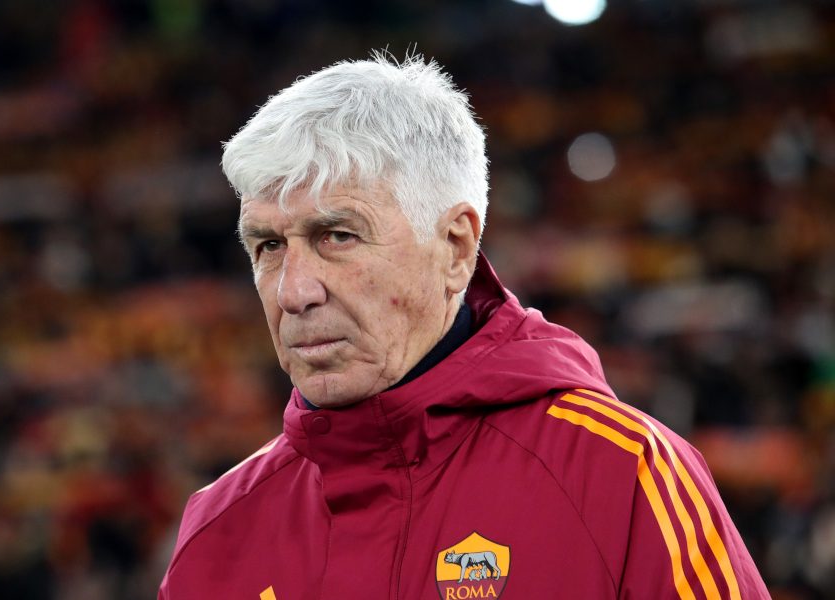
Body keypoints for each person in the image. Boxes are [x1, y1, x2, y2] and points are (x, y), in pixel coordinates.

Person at [158, 54, 769, 599]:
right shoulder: (218, 528)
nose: (293, 292)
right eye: (267, 246)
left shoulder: (623, 475)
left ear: (455, 248)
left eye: (337, 236)